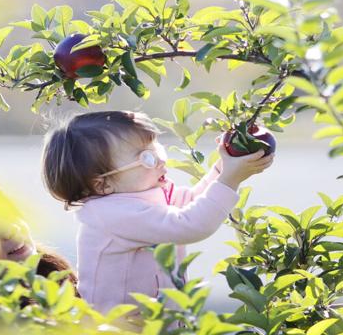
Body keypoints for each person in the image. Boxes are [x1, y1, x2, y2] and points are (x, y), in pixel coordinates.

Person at [41, 110, 272, 312]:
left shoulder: (141, 195)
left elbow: (190, 202)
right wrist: (229, 179)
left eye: (157, 148)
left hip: (158, 333)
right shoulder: (112, 215)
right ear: (102, 184)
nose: (162, 160)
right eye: (147, 157)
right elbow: (189, 224)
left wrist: (225, 166)